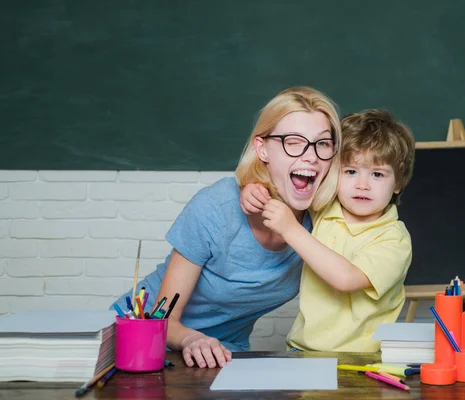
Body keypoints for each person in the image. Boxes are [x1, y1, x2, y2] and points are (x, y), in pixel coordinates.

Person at [111, 87, 342, 368]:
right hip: (141, 339)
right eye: (293, 142)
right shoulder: (216, 208)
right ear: (262, 149)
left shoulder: (326, 222)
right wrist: (192, 340)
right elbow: (164, 321)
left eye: (323, 143)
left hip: (223, 354)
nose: (311, 156)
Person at [240, 109, 415, 352]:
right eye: (351, 172)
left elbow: (346, 279)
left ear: (397, 182)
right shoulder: (323, 206)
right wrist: (253, 191)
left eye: (377, 174)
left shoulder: (394, 239)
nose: (362, 185)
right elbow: (280, 188)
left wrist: (291, 229)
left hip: (359, 360)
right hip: (301, 350)